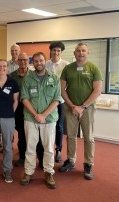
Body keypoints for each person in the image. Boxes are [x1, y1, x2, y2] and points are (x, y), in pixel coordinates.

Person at [59, 43, 102, 180]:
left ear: (87, 53)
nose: (81, 53)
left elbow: (97, 91)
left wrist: (82, 106)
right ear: (74, 53)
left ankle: (88, 164)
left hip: (87, 108)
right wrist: (72, 106)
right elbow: (62, 90)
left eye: (83, 51)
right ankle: (71, 160)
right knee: (71, 136)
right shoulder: (68, 68)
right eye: (78, 51)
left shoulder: (94, 68)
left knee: (88, 137)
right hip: (70, 108)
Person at [19, 52, 62, 189]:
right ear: (33, 62)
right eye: (36, 61)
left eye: (41, 60)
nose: (39, 63)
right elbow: (24, 98)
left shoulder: (54, 78)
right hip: (31, 119)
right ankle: (29, 172)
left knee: (48, 148)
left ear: (45, 61)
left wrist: (43, 115)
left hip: (49, 120)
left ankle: (49, 172)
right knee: (30, 147)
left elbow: (57, 99)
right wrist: (36, 115)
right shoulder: (27, 79)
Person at [10, 53, 45, 168]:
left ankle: (40, 158)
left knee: (38, 135)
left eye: (25, 59)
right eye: (20, 60)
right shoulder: (12, 76)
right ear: (17, 61)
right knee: (22, 134)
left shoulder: (34, 74)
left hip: (34, 108)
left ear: (29, 61)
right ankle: (22, 157)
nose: (23, 62)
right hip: (19, 109)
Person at [45, 41, 70, 163]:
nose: (56, 52)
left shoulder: (66, 65)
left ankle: (58, 149)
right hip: (46, 101)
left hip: (60, 101)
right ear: (51, 50)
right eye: (54, 50)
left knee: (59, 126)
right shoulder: (45, 64)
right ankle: (45, 149)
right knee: (47, 125)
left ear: (61, 52)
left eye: (58, 51)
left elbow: (68, 83)